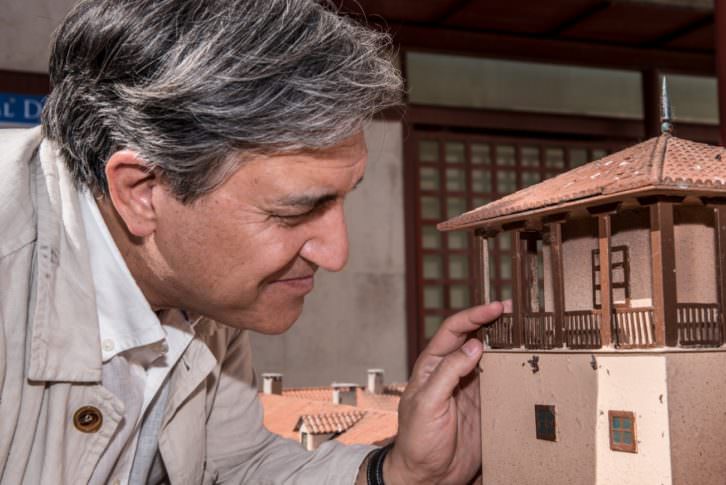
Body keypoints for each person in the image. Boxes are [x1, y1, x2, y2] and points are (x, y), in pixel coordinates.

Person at [0, 0, 505, 483]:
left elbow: (234, 466)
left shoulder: (198, 287)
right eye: (295, 211)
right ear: (142, 192)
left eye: (342, 199)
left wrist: (398, 472)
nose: (336, 253)